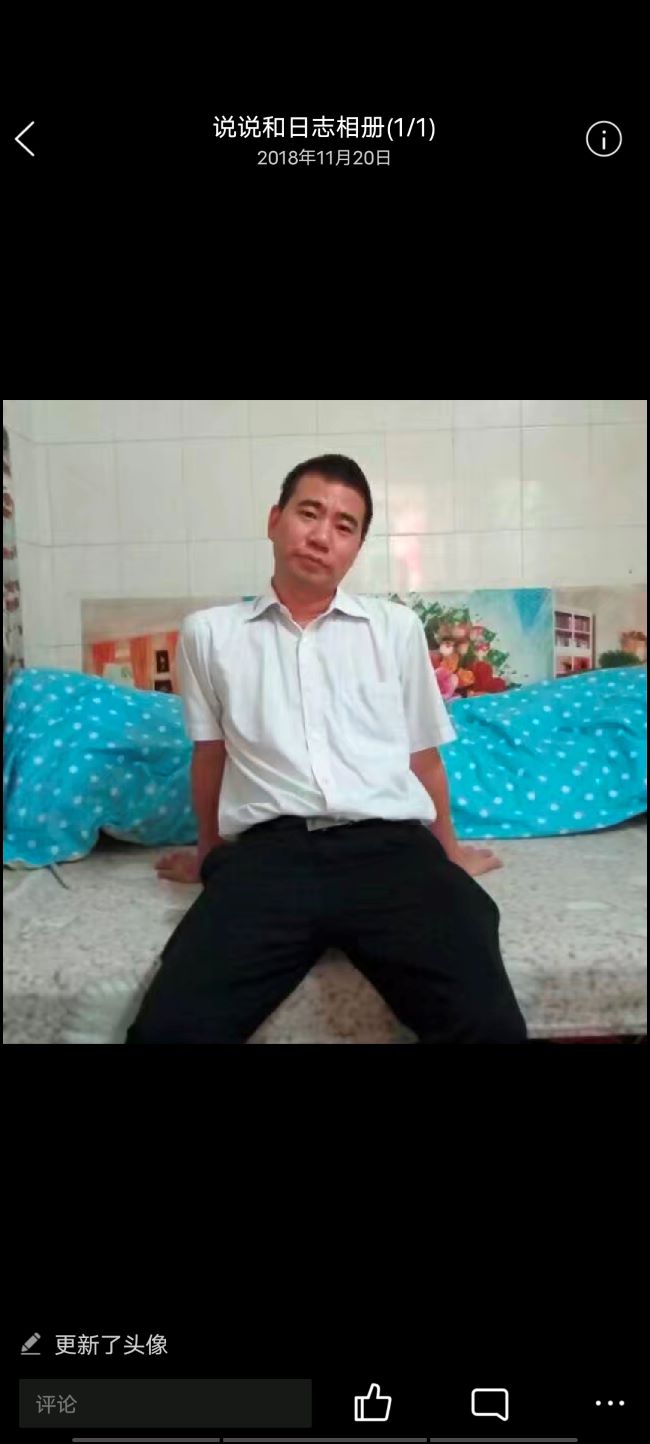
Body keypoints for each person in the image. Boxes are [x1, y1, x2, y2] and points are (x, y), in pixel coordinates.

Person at [126, 454, 527, 1044]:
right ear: (275, 520)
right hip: (268, 859)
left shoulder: (394, 629)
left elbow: (423, 758)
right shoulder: (210, 634)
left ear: (357, 548)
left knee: (488, 1027)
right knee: (170, 1031)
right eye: (308, 513)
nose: (321, 536)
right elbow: (210, 756)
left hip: (391, 853)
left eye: (344, 526)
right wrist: (208, 855)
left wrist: (449, 854)